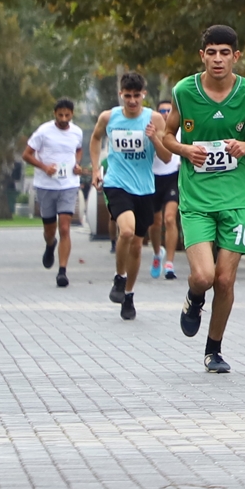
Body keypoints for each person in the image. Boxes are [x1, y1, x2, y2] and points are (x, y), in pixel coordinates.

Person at [163, 25, 245, 374]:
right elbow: (166, 135)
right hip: (196, 200)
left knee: (224, 280)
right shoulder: (183, 91)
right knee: (204, 276)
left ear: (236, 56)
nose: (218, 59)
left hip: (237, 199)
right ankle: (194, 298)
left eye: (225, 53)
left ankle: (214, 349)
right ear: (202, 55)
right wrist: (184, 149)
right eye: (211, 53)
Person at [89, 73, 172, 320]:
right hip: (117, 184)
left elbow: (167, 157)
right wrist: (95, 169)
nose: (133, 100)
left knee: (137, 245)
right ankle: (119, 276)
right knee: (126, 231)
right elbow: (95, 138)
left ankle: (128, 294)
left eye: (137, 95)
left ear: (144, 94)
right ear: (121, 95)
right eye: (128, 96)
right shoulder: (109, 117)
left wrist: (154, 138)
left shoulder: (154, 118)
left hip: (144, 188)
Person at [23, 100, 85, 285]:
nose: (64, 119)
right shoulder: (43, 132)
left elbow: (78, 150)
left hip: (68, 185)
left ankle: (62, 271)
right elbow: (26, 155)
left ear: (72, 114)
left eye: (67, 115)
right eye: (60, 115)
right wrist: (44, 167)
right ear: (54, 114)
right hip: (46, 186)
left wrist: (77, 164)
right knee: (50, 231)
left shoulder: (77, 132)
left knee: (65, 228)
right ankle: (50, 244)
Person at [151, 99, 182, 281]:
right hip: (152, 178)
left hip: (172, 177)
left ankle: (169, 263)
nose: (165, 114)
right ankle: (157, 253)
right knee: (155, 223)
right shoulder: (150, 130)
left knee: (170, 218)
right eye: (162, 111)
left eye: (169, 111)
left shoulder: (180, 131)